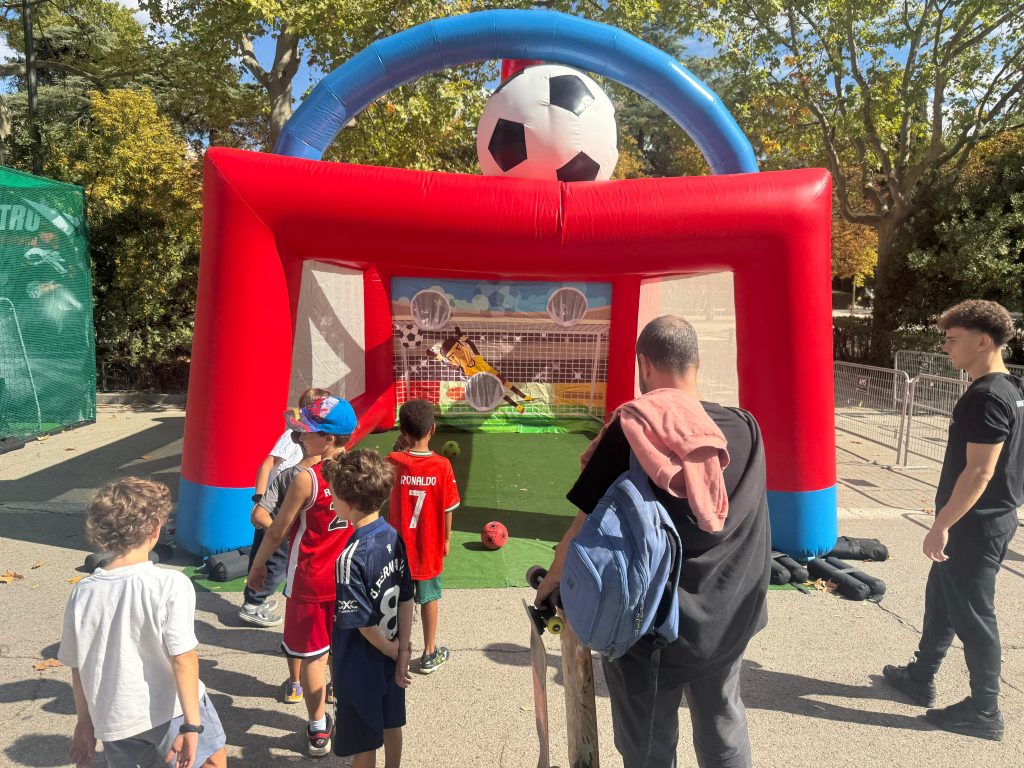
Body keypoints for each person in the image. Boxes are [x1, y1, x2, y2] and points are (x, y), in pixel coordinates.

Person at [535, 315, 771, 768]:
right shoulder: (745, 428)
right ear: (696, 363)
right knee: (724, 729)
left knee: (648, 748)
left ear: (643, 364)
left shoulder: (631, 433)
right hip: (728, 623)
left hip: (651, 633)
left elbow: (579, 531)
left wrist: (550, 587)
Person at [883, 300, 1023, 741]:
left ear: (982, 342)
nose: (946, 348)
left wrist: (942, 523)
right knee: (941, 597)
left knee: (974, 615)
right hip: (991, 517)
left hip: (975, 523)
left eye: (952, 339)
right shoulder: (1012, 388)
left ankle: (985, 710)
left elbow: (980, 472)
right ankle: (920, 675)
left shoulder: (986, 397)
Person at [59, 478, 228, 768]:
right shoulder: (170, 584)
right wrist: (192, 724)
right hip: (172, 709)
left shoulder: (82, 592)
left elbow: (78, 666)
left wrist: (84, 722)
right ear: (155, 529)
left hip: (114, 718)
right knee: (210, 762)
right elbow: (183, 658)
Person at [247, 395, 356, 756]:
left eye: (308, 432)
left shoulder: (306, 478)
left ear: (329, 439)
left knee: (313, 656)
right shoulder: (360, 471)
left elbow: (276, 532)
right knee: (344, 651)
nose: (300, 436)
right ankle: (349, 715)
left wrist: (258, 567)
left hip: (309, 581)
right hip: (350, 580)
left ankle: (318, 727)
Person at [323, 449, 415, 768]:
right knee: (391, 724)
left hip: (360, 664)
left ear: (348, 503)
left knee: (364, 743)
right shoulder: (393, 536)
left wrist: (392, 650)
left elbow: (362, 623)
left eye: (333, 495)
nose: (331, 501)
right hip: (391, 652)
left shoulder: (349, 559)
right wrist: (402, 649)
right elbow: (406, 597)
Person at [240, 386, 332, 629]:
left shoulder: (308, 441)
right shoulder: (295, 435)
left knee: (267, 550)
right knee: (277, 554)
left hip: (284, 498)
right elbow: (267, 464)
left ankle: (255, 597)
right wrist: (259, 499)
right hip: (279, 501)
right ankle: (253, 603)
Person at [386, 399, 461, 673]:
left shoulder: (394, 461)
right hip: (429, 547)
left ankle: (395, 649)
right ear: (433, 429)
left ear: (402, 431)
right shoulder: (442, 465)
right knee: (429, 598)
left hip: (397, 548)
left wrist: (398, 446)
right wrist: (446, 539)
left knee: (398, 598)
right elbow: (448, 508)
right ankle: (429, 653)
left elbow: (382, 475)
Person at [430, 326, 533, 412]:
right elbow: (447, 364)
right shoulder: (463, 369)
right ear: (452, 360)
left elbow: (471, 344)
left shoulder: (477, 358)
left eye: (458, 349)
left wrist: (461, 336)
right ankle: (517, 406)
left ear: (463, 347)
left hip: (492, 373)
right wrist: (435, 355)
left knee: (507, 384)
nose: (458, 355)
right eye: (453, 356)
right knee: (500, 393)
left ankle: (524, 397)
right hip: (485, 382)